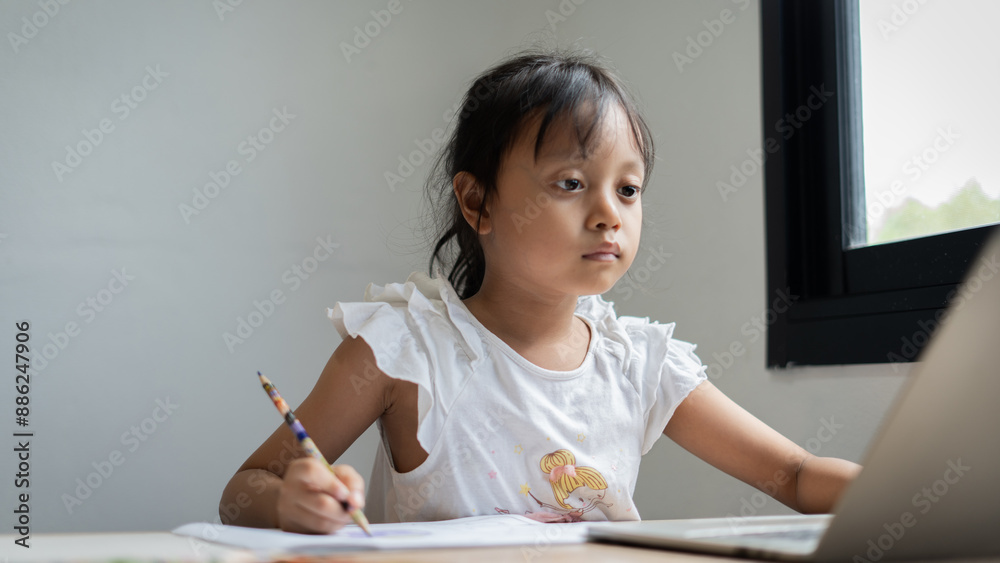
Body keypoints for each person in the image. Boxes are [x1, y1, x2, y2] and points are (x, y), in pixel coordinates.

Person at [219, 48, 861, 534]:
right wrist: (291, 500)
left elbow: (797, 476)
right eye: (571, 183)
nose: (610, 212)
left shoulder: (639, 362)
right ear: (478, 201)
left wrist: (922, 494)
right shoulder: (404, 350)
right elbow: (243, 490)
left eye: (628, 189)